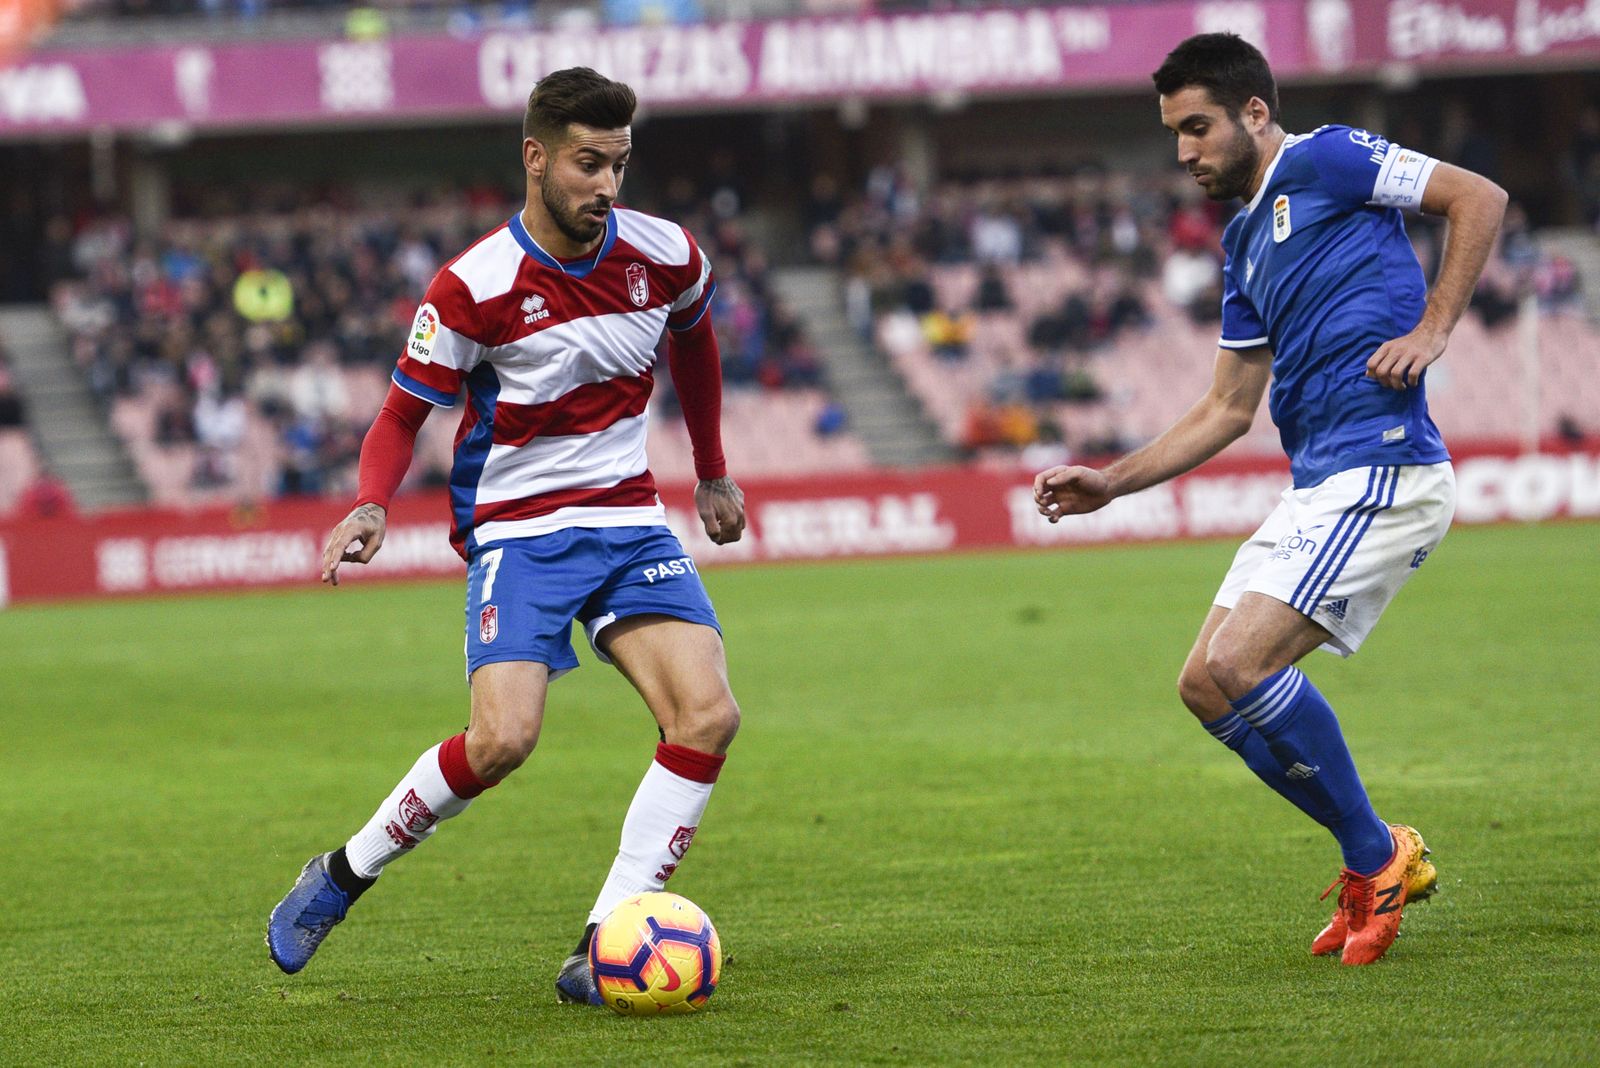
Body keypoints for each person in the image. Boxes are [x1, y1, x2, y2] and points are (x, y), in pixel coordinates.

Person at [266, 68, 747, 1005]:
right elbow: (402, 415)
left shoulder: (666, 254)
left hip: (627, 516)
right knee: (503, 742)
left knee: (709, 716)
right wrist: (370, 502)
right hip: (519, 534)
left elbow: (696, 342)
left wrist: (714, 467)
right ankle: (342, 873)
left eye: (618, 164)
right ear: (535, 157)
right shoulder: (473, 286)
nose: (606, 186)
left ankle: (606, 937)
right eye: (586, 163)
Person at [1033, 34, 1507, 966]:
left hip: (1385, 467)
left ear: (1254, 113)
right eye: (1175, 134)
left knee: (1244, 661)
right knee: (1204, 684)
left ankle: (1378, 858)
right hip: (1317, 483)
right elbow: (1226, 407)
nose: (1184, 152)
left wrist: (1433, 326)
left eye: (1198, 127)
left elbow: (1476, 196)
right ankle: (1375, 854)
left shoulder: (1328, 157)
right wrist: (1112, 482)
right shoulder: (1244, 241)